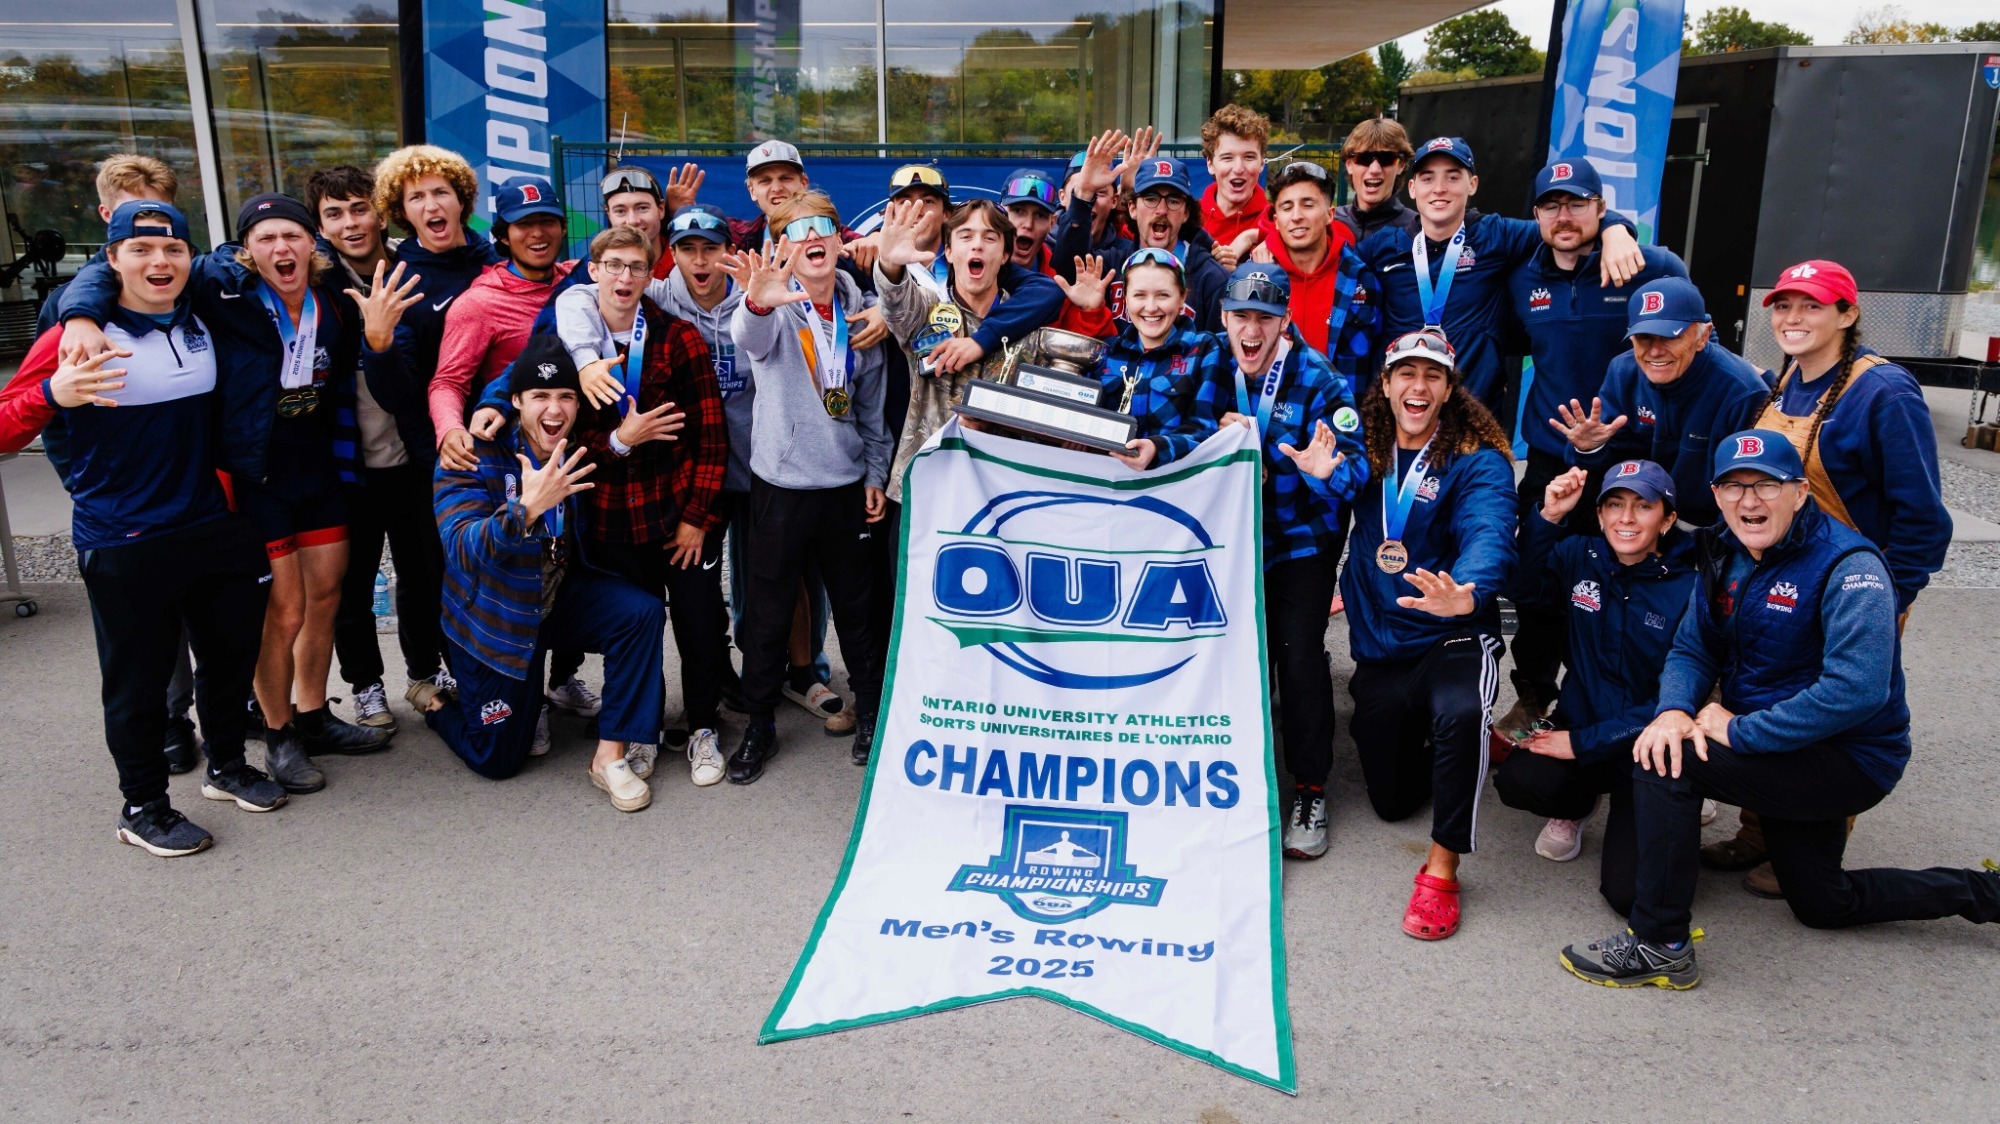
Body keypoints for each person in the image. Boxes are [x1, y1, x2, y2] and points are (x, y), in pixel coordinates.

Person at [1559, 431, 2000, 989]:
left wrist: (1739, 731)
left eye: (1766, 485)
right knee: (1822, 902)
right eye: (1734, 486)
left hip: (1846, 760)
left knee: (1663, 762)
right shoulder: (1724, 549)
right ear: (1715, 496)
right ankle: (1989, 894)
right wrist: (1673, 709)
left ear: (1798, 492)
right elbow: (1695, 647)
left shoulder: (1851, 567)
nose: (1749, 501)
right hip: (1780, 750)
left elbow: (1855, 691)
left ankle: (1661, 944)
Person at [56, 192, 397, 792]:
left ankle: (314, 715)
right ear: (245, 250)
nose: (280, 248)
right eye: (264, 239)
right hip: (253, 476)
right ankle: (279, 731)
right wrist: (80, 315)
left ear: (312, 244)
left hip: (318, 471)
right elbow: (114, 271)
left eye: (291, 235)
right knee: (282, 610)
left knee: (327, 599)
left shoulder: (335, 303)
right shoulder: (220, 291)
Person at [0, 201, 285, 854]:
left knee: (228, 658)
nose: (159, 263)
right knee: (137, 681)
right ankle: (143, 807)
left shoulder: (206, 316)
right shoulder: (79, 335)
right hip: (126, 539)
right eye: (140, 251)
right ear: (111, 260)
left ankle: (227, 767)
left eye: (172, 251)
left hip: (216, 525)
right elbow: (6, 424)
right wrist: (53, 396)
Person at [1700, 260, 1953, 897]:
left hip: (1849, 580)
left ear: (1846, 314)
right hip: (1780, 569)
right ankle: (1760, 828)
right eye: (1784, 307)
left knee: (1832, 707)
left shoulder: (1883, 392)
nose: (1793, 319)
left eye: (1811, 307)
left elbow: (1922, 512)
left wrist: (1892, 598)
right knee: (1763, 689)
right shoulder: (1786, 381)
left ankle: (1814, 840)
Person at [426, 337, 665, 811]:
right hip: (495, 621)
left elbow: (609, 450)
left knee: (640, 612)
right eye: (539, 397)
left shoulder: (573, 442)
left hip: (554, 600)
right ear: (514, 401)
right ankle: (436, 704)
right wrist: (526, 509)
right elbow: (461, 548)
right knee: (496, 760)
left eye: (566, 397)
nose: (554, 410)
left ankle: (610, 755)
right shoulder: (472, 450)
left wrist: (624, 441)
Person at [1496, 159, 1689, 744]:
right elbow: (1510, 346)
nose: (1564, 216)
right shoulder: (1523, 278)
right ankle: (1534, 693)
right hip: (1554, 461)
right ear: (1536, 216)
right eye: (1551, 205)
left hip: (1631, 464)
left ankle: (1653, 707)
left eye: (1578, 203)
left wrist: (1619, 234)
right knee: (1540, 582)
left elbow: (1689, 345)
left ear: (1601, 210)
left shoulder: (1647, 266)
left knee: (1638, 582)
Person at [1339, 329, 1516, 940]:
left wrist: (1466, 589)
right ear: (1385, 386)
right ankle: (1459, 751)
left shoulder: (1477, 458)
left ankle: (1441, 872)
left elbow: (1490, 528)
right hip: (1384, 644)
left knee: (1461, 713)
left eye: (1433, 376)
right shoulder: (1365, 449)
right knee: (1390, 801)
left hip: (1452, 634)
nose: (1419, 387)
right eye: (1406, 375)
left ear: (1448, 390)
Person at [722, 193, 893, 780]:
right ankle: (759, 726)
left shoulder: (867, 314)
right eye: (796, 231)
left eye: (824, 226)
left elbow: (871, 414)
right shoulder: (773, 309)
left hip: (845, 487)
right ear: (784, 248)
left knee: (858, 611)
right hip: (781, 488)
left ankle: (869, 711)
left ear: (840, 241)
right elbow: (749, 336)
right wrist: (758, 303)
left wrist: (875, 473)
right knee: (767, 615)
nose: (812, 238)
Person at [552, 225, 730, 786]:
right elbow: (565, 439)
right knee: (637, 628)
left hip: (678, 516)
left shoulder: (679, 340)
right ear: (594, 270)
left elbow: (711, 437)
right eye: (615, 265)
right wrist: (623, 439)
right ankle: (641, 729)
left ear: (652, 273)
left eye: (636, 266)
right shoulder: (573, 348)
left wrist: (697, 518)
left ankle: (703, 726)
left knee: (701, 624)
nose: (625, 276)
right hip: (612, 519)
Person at [423, 176, 600, 734]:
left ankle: (559, 676)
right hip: (512, 462)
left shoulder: (579, 282)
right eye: (525, 225)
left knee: (574, 564)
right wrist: (452, 430)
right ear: (503, 233)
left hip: (579, 448)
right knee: (514, 566)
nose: (539, 233)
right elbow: (447, 380)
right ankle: (463, 694)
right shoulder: (480, 301)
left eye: (548, 221)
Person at [1210, 262, 1368, 859]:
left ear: (1285, 322)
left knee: (1297, 657)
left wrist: (1324, 472)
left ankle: (1310, 788)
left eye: (1265, 319)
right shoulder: (1210, 363)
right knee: (1227, 659)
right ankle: (1234, 785)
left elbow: (1354, 471)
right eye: (1242, 317)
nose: (1252, 331)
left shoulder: (1321, 379)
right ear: (1224, 317)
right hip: (1226, 538)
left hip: (1301, 540)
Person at [1495, 459, 1695, 912]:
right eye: (1615, 505)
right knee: (1520, 782)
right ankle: (1577, 805)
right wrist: (1548, 517)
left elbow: (1685, 699)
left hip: (1648, 748)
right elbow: (1522, 590)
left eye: (1643, 506)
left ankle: (1672, 809)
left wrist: (1582, 743)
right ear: (1600, 514)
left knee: (1629, 896)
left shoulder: (1691, 586)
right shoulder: (1578, 554)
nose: (1626, 518)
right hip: (1581, 723)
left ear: (1666, 520)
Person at [307, 164, 455, 733]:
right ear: (320, 224)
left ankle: (424, 674)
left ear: (381, 211)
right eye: (334, 214)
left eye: (359, 208)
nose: (351, 223)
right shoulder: (314, 277)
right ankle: (366, 685)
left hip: (413, 455)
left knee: (424, 573)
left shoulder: (411, 267)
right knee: (352, 583)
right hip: (347, 461)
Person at [1353, 136, 1645, 412]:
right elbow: (1331, 260)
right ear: (1413, 188)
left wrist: (1616, 229)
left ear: (1473, 184)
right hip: (1403, 413)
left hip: (1474, 416)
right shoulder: (1385, 246)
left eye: (1453, 177)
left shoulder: (1496, 235)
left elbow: (1561, 225)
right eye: (1428, 178)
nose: (1439, 188)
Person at [361, 145, 502, 712]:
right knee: (428, 569)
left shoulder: (496, 260)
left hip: (503, 445)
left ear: (462, 200)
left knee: (498, 567)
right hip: (433, 453)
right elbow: (398, 392)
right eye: (416, 196)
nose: (431, 204)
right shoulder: (399, 278)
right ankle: (424, 673)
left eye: (441, 191)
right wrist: (378, 345)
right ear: (401, 210)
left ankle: (500, 677)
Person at [1559, 277, 1772, 529]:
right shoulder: (1622, 371)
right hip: (1642, 517)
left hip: (1706, 526)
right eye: (1644, 337)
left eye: (1670, 337)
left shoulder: (1741, 391)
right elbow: (1611, 468)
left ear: (1702, 336)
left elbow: (1748, 490)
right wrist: (1590, 450)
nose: (1655, 351)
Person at [1055, 134, 1228, 331]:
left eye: (1173, 200)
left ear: (1186, 212)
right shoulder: (1114, 263)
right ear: (1132, 209)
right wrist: (1084, 195)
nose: (1161, 210)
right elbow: (1069, 270)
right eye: (1151, 198)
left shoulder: (1211, 277)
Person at [1085, 248, 1227, 472]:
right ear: (1125, 298)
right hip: (1108, 487)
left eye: (1163, 295)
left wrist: (1156, 448)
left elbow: (1205, 430)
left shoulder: (1204, 349)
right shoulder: (1108, 351)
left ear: (1182, 297)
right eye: (1139, 295)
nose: (1151, 307)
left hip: (1174, 490)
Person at [1251, 160, 1370, 369]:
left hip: (1341, 400)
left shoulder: (1360, 278)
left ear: (1329, 215)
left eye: (1308, 205)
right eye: (1287, 207)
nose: (1297, 216)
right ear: (1277, 220)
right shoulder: (1253, 274)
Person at [1199, 103, 1272, 271]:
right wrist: (1129, 189)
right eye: (1227, 158)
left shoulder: (1276, 221)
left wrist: (1252, 236)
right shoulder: (1188, 217)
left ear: (1261, 163)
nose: (1238, 168)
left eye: (1249, 157)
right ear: (1210, 164)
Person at [598, 162, 703, 278]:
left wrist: (682, 217)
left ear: (661, 209)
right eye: (620, 211)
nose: (632, 221)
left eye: (642, 208)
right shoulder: (596, 265)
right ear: (609, 215)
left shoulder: (691, 262)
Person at [1332, 119, 1415, 243]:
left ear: (1400, 165)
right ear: (1349, 165)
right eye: (1364, 158)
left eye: (1386, 159)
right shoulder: (1327, 225)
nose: (1374, 169)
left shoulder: (1417, 230)